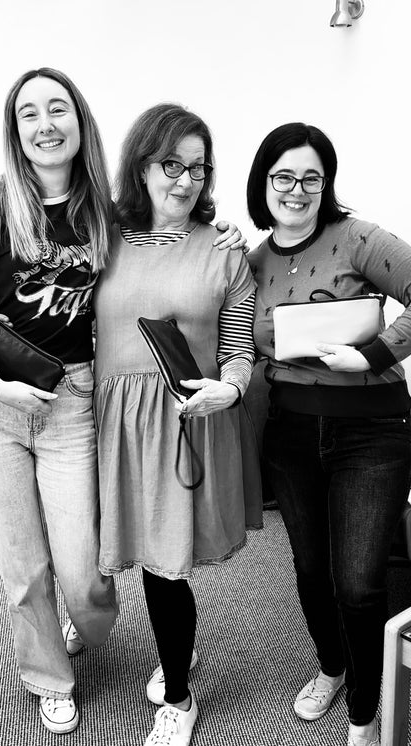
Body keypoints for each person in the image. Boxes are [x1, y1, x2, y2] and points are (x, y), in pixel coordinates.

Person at [246, 122, 411, 746]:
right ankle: (332, 669)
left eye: (312, 177)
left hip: (368, 433)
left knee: (361, 582)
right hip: (288, 433)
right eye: (284, 176)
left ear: (327, 184)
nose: (297, 189)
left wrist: (371, 354)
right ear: (263, 182)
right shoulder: (252, 262)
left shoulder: (358, 238)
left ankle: (364, 713)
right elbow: (238, 343)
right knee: (312, 571)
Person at [0, 67, 122, 734]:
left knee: (84, 571)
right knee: (23, 568)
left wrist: (223, 238)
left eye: (58, 108)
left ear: (79, 120)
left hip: (71, 400)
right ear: (15, 131)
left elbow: (170, 256)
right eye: (29, 114)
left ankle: (86, 624)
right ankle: (48, 676)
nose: (45, 124)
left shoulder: (107, 212)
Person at [93, 103, 262, 746]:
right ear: (141, 165)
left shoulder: (223, 252)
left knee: (166, 568)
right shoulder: (101, 237)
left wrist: (233, 386)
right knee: (92, 543)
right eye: (172, 164)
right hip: (103, 422)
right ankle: (86, 617)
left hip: (180, 423)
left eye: (198, 167)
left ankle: (179, 696)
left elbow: (239, 345)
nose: (186, 180)